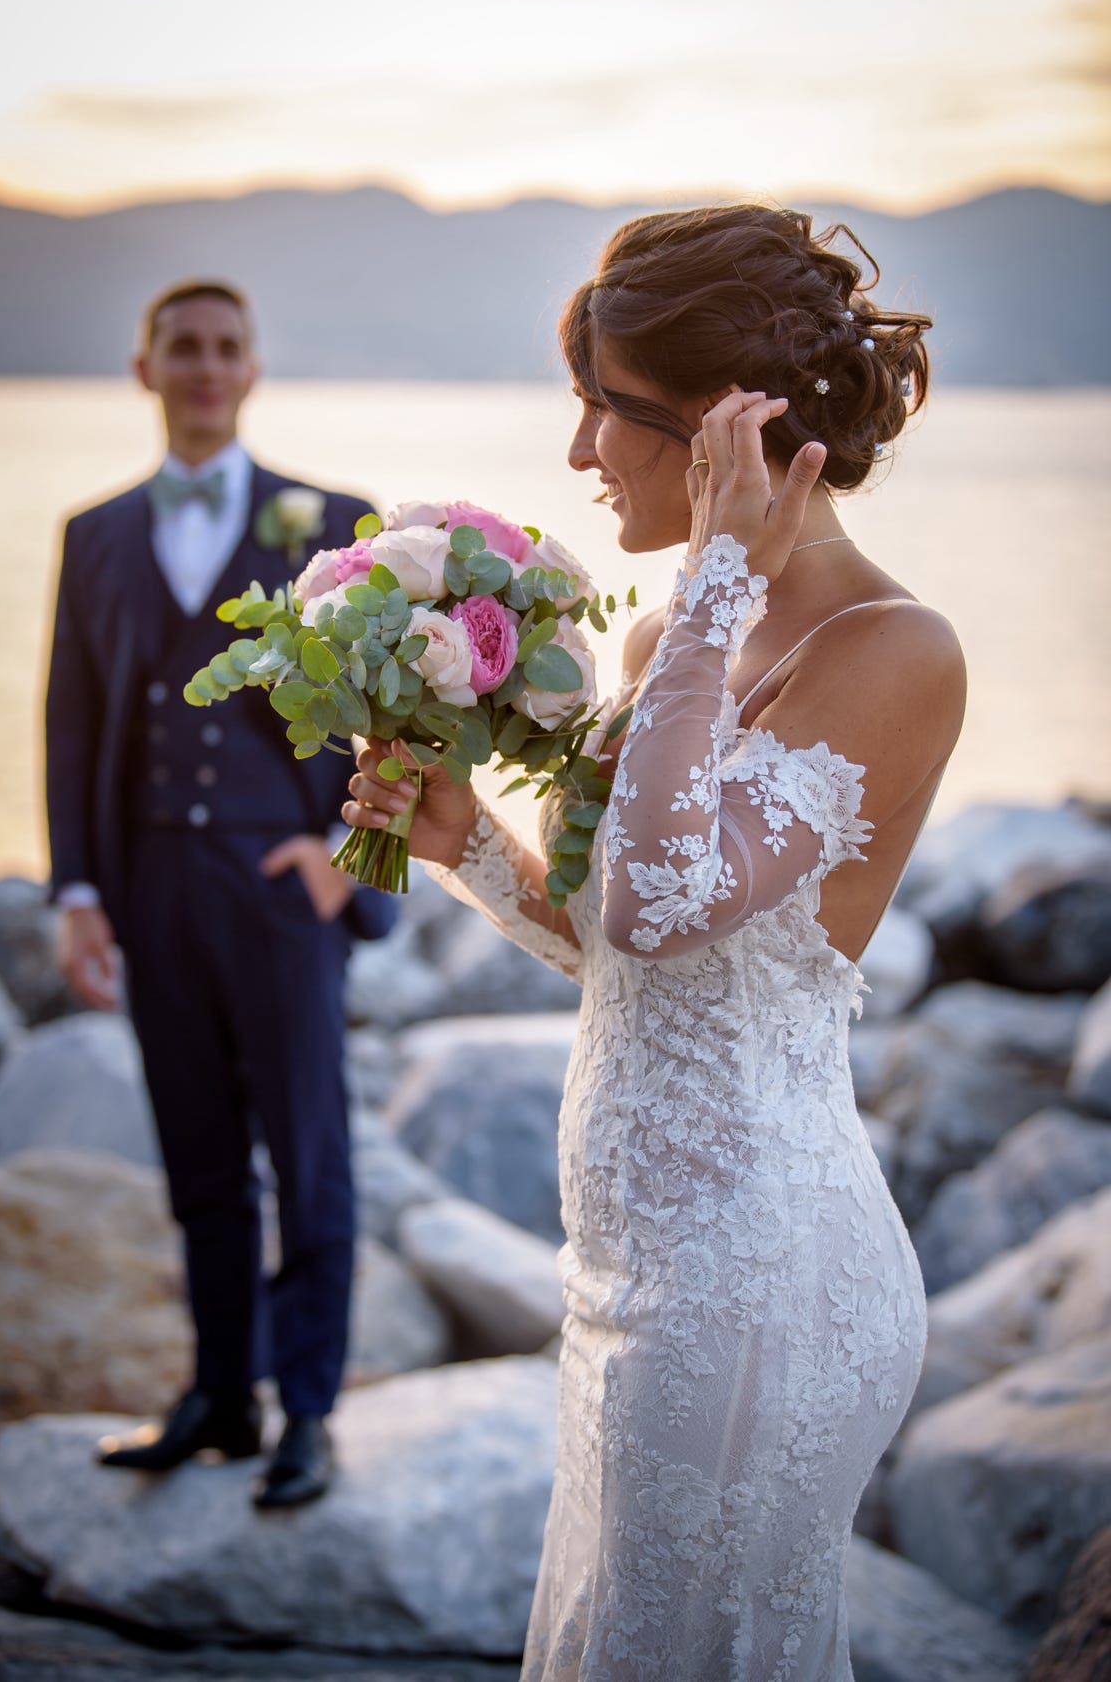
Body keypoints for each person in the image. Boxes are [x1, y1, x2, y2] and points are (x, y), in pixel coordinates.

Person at [343, 203, 965, 1677]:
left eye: (600, 412)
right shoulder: (667, 644)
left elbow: (659, 892)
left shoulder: (895, 650)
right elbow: (632, 956)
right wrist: (472, 845)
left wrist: (720, 580)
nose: (576, 457)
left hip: (761, 1272)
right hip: (632, 1266)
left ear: (715, 433)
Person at [46, 278, 395, 1510]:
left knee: (310, 1155)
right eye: (181, 348)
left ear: (252, 370)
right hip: (149, 886)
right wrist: (78, 890)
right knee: (198, 1156)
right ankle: (220, 1394)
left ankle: (305, 1409)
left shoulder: (332, 522)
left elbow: (393, 719)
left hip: (279, 888)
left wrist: (345, 867)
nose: (204, 367)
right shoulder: (92, 534)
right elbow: (74, 720)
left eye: (225, 349)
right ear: (144, 367)